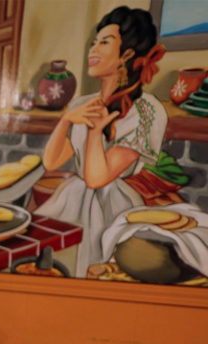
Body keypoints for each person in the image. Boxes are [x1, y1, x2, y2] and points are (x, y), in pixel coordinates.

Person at [37, 5, 167, 278]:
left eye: (104, 43)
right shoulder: (84, 103)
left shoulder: (146, 110)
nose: (92, 50)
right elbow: (50, 161)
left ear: (127, 55)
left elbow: (98, 179)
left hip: (113, 206)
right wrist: (66, 120)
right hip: (72, 197)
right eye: (93, 43)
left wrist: (96, 132)